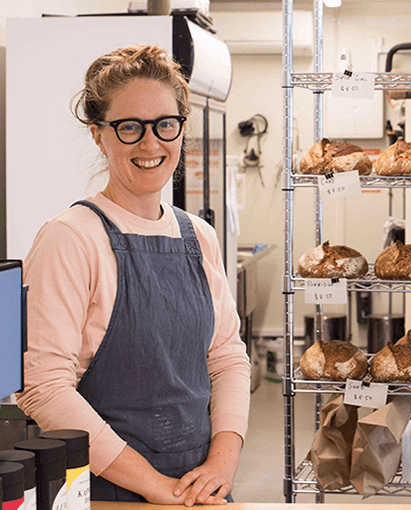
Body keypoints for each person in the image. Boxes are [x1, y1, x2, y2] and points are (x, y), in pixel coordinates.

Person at [17, 45, 251, 506]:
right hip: (106, 491)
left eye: (166, 124)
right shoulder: (70, 238)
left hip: (198, 490)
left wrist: (221, 464)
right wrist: (154, 486)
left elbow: (227, 358)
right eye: (129, 128)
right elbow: (43, 389)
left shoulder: (199, 237)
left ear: (181, 128)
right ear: (98, 135)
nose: (151, 144)